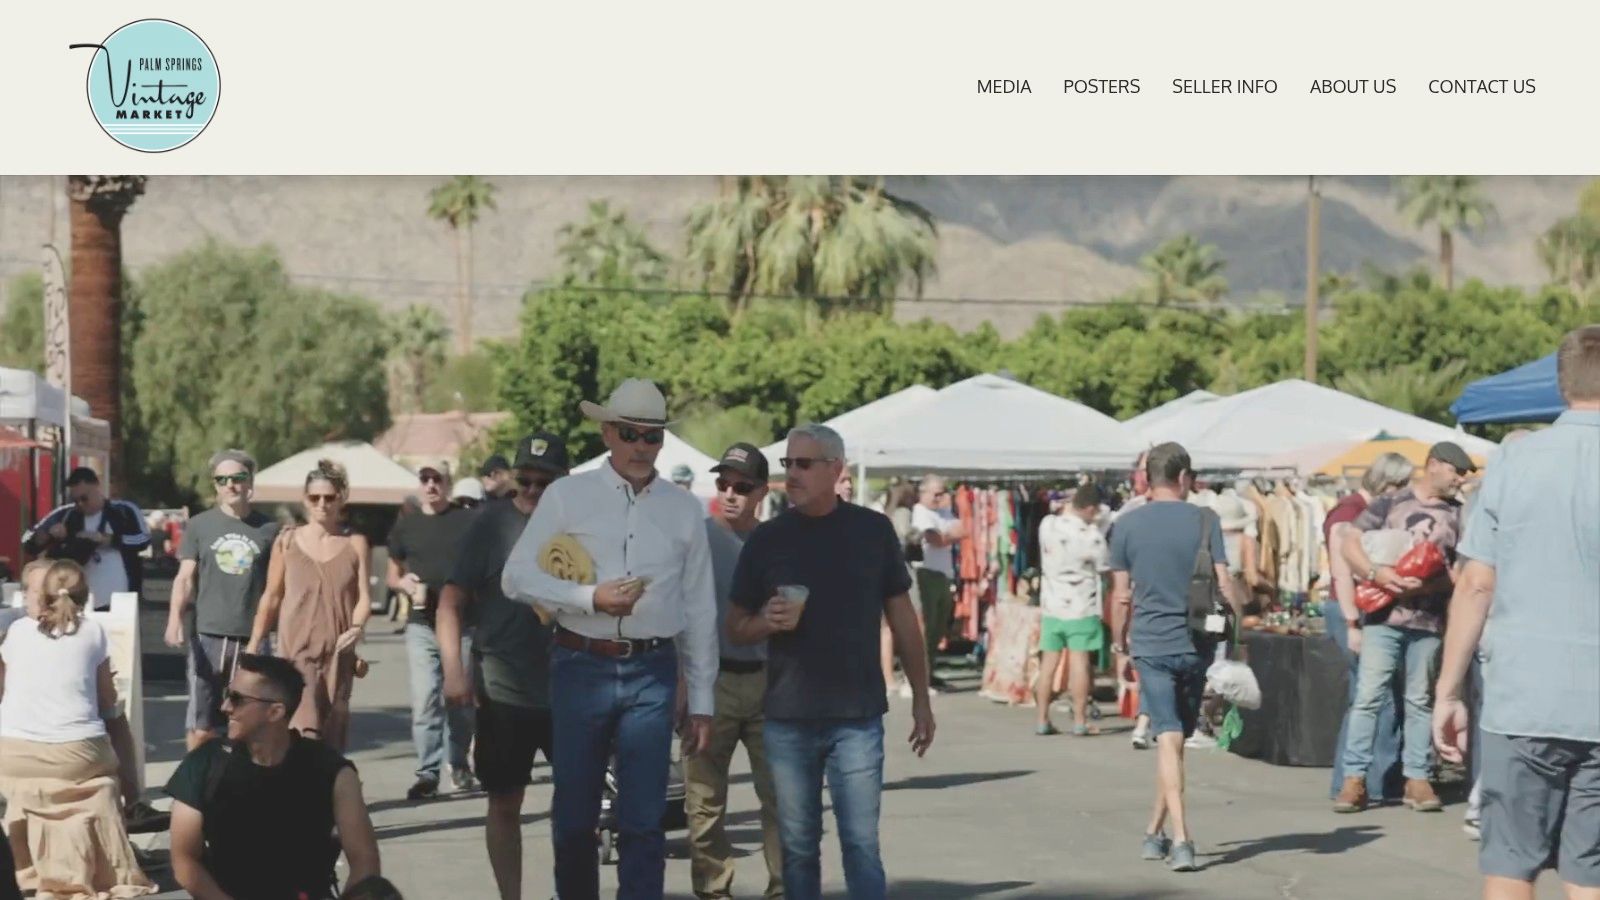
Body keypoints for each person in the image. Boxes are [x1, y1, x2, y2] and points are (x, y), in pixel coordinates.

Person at [502, 378, 717, 899]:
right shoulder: (566, 494)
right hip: (581, 664)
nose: (642, 447)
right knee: (574, 819)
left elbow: (700, 608)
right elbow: (516, 578)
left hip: (652, 669)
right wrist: (590, 599)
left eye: (653, 436)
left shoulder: (684, 509)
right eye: (631, 433)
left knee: (645, 821)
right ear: (607, 433)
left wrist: (704, 701)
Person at [727, 424, 935, 900]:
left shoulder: (872, 530)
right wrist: (766, 622)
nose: (792, 474)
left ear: (835, 469)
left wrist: (922, 698)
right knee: (798, 848)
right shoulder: (768, 539)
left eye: (804, 464)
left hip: (856, 718)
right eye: (788, 464)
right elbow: (734, 626)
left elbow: (903, 620)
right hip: (787, 718)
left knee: (861, 845)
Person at [1433, 325, 1600, 899]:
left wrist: (1448, 691)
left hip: (1525, 696)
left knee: (1510, 865)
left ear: (1561, 385)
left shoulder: (1515, 461)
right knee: (1591, 872)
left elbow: (1477, 584)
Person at [438, 432, 569, 900]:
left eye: (544, 482)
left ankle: (570, 889)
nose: (532, 490)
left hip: (570, 688)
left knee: (577, 805)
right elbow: (450, 602)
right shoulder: (489, 526)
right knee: (505, 802)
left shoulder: (582, 526)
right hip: (503, 687)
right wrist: (454, 670)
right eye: (525, 480)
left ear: (562, 482)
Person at [1109, 442, 1241, 873]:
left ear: (1147, 478)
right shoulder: (1207, 520)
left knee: (1169, 741)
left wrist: (1117, 641)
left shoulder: (1126, 525)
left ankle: (1179, 840)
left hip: (1151, 643)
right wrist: (1240, 632)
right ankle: (1156, 833)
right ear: (1185, 477)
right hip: (1196, 643)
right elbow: (1224, 583)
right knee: (1174, 740)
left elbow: (1121, 595)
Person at [165, 654, 381, 900]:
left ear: (275, 711)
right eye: (228, 694)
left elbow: (365, 864)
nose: (225, 707)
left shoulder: (332, 772)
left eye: (237, 699)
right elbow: (184, 860)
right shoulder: (205, 763)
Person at [0, 560, 155, 898]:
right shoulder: (94, 631)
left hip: (12, 753)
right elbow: (107, 700)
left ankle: (30, 868)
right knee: (113, 730)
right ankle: (128, 812)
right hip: (76, 754)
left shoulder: (16, 632)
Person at [1334, 441, 1470, 814]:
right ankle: (1354, 778)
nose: (1460, 479)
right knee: (1369, 696)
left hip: (1428, 620)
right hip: (1383, 617)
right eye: (1455, 470)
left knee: (1419, 699)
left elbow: (1461, 572)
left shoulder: (1458, 515)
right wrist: (1379, 573)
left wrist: (1431, 584)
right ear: (1434, 466)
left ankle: (1418, 777)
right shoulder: (1389, 504)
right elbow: (1349, 542)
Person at [685, 442, 784, 900]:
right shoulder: (696, 538)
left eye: (741, 487)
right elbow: (676, 614)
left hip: (771, 683)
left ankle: (783, 888)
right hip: (711, 682)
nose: (729, 493)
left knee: (781, 801)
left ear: (761, 491)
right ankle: (713, 890)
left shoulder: (778, 542)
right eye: (723, 483)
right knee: (704, 805)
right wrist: (681, 683)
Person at [249, 460, 373, 752]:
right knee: (304, 730)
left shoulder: (356, 544)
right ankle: (301, 795)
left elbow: (364, 597)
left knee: (333, 734)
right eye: (314, 497)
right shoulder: (287, 541)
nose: (322, 504)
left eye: (329, 497)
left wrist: (357, 628)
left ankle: (329, 794)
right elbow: (272, 596)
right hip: (296, 651)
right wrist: (254, 643)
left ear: (341, 498)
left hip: (339, 654)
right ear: (304, 499)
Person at [166, 449, 281, 752]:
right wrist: (174, 619)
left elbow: (278, 587)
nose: (230, 485)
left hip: (252, 638)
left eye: (237, 478)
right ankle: (196, 792)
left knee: (248, 724)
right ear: (215, 485)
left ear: (250, 482)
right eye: (222, 479)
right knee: (202, 726)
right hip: (207, 635)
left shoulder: (270, 529)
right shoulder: (200, 526)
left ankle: (240, 792)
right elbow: (185, 577)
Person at [1323, 452, 1415, 805]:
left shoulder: (1356, 511)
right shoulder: (1349, 514)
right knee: (1371, 697)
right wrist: (1351, 623)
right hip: (1353, 608)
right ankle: (1369, 779)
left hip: (1357, 607)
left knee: (1366, 696)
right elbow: (1341, 570)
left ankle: (1363, 779)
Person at [387, 459, 478, 800]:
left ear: (448, 483)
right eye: (424, 478)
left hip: (462, 624)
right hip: (422, 624)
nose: (429, 484)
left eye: (436, 478)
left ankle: (459, 764)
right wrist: (405, 584)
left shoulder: (466, 521)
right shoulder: (406, 527)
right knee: (425, 699)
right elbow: (393, 574)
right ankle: (427, 772)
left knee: (460, 700)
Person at [1035, 484, 1110, 737]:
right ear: (1090, 508)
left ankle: (1042, 718)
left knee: (1048, 664)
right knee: (1079, 662)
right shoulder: (1092, 537)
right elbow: (1104, 567)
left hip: (1051, 604)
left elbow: (1059, 513)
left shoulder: (1048, 525)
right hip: (1082, 605)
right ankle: (1079, 720)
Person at [22, 467, 150, 611]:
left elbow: (143, 539)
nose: (80, 504)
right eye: (75, 500)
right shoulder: (64, 514)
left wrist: (107, 539)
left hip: (120, 596)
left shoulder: (124, 510)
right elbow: (27, 540)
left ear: (97, 487)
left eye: (84, 498)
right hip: (74, 599)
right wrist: (48, 534)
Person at [911, 475, 962, 693]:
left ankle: (928, 672)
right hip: (925, 571)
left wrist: (948, 535)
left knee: (938, 627)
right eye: (936, 493)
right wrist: (950, 535)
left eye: (943, 492)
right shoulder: (920, 512)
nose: (940, 497)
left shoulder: (944, 511)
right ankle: (916, 677)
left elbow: (962, 530)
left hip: (943, 573)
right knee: (925, 627)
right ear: (923, 493)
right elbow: (935, 539)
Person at [879, 483, 922, 699]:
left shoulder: (885, 513)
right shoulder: (904, 513)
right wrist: (918, 534)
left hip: (884, 569)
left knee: (886, 629)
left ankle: (888, 678)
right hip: (901, 567)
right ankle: (909, 680)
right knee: (912, 623)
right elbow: (905, 536)